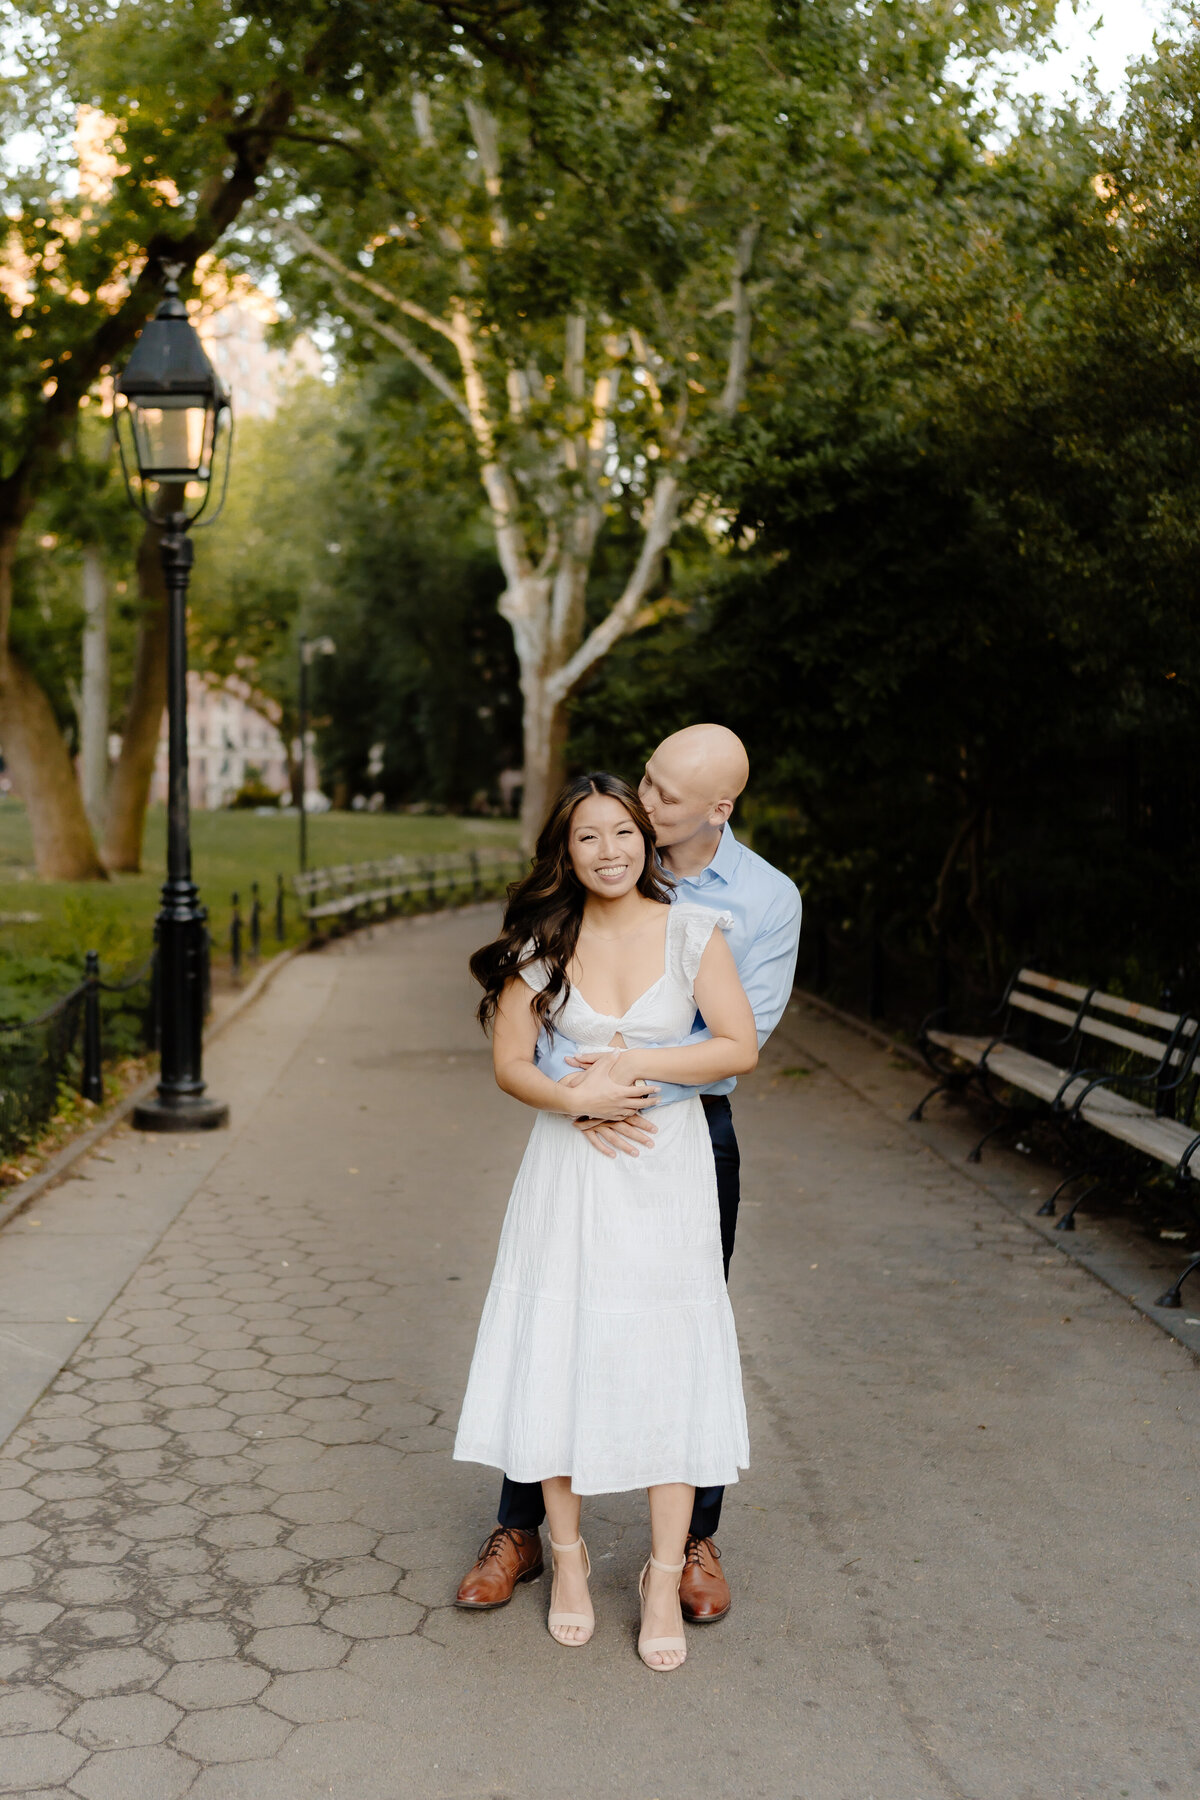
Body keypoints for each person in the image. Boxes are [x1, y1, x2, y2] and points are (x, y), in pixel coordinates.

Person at [455, 725, 802, 1625]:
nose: (637, 815)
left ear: (711, 813)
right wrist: (577, 1101)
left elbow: (738, 1043)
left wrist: (621, 1077)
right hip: (574, 1152)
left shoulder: (746, 907)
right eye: (602, 822)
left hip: (681, 1138)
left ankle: (678, 1555)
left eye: (650, 809)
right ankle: (537, 1541)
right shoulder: (551, 933)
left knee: (670, 1336)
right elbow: (515, 1056)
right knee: (557, 1328)